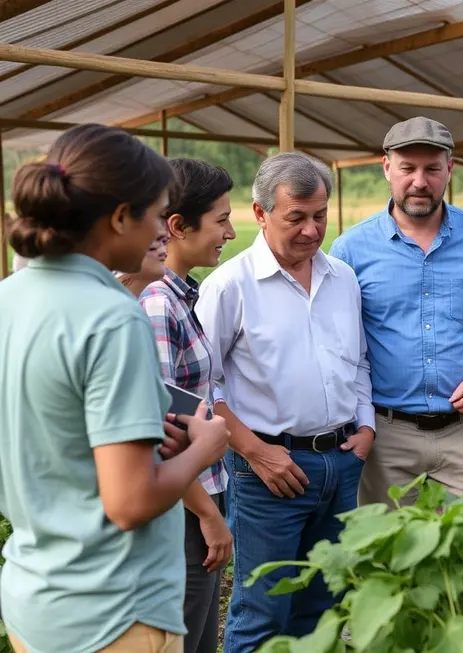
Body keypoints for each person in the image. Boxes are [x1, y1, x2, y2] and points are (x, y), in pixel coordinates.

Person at [0, 123, 230, 653]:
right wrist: (204, 449)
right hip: (115, 609)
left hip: (35, 593)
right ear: (120, 217)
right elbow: (129, 501)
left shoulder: (13, 297)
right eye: (155, 213)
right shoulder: (110, 317)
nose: (160, 231)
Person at [194, 151, 375, 653]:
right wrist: (255, 451)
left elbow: (358, 360)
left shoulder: (342, 278)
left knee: (321, 606)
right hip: (269, 470)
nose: (312, 230)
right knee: (262, 610)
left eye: (320, 215)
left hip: (340, 463)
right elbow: (203, 388)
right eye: (296, 217)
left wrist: (365, 428)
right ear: (259, 213)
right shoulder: (228, 287)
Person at [329, 116, 463, 507]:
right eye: (407, 168)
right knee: (387, 556)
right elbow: (334, 343)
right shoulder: (350, 250)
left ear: (450, 169)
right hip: (385, 435)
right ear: (387, 167)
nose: (420, 181)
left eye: (432, 169)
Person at [139, 158, 238, 653]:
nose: (231, 231)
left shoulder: (183, 297)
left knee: (199, 636)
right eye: (221, 220)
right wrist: (207, 515)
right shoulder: (159, 304)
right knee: (185, 640)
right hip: (184, 506)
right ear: (178, 226)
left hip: (198, 494)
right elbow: (156, 429)